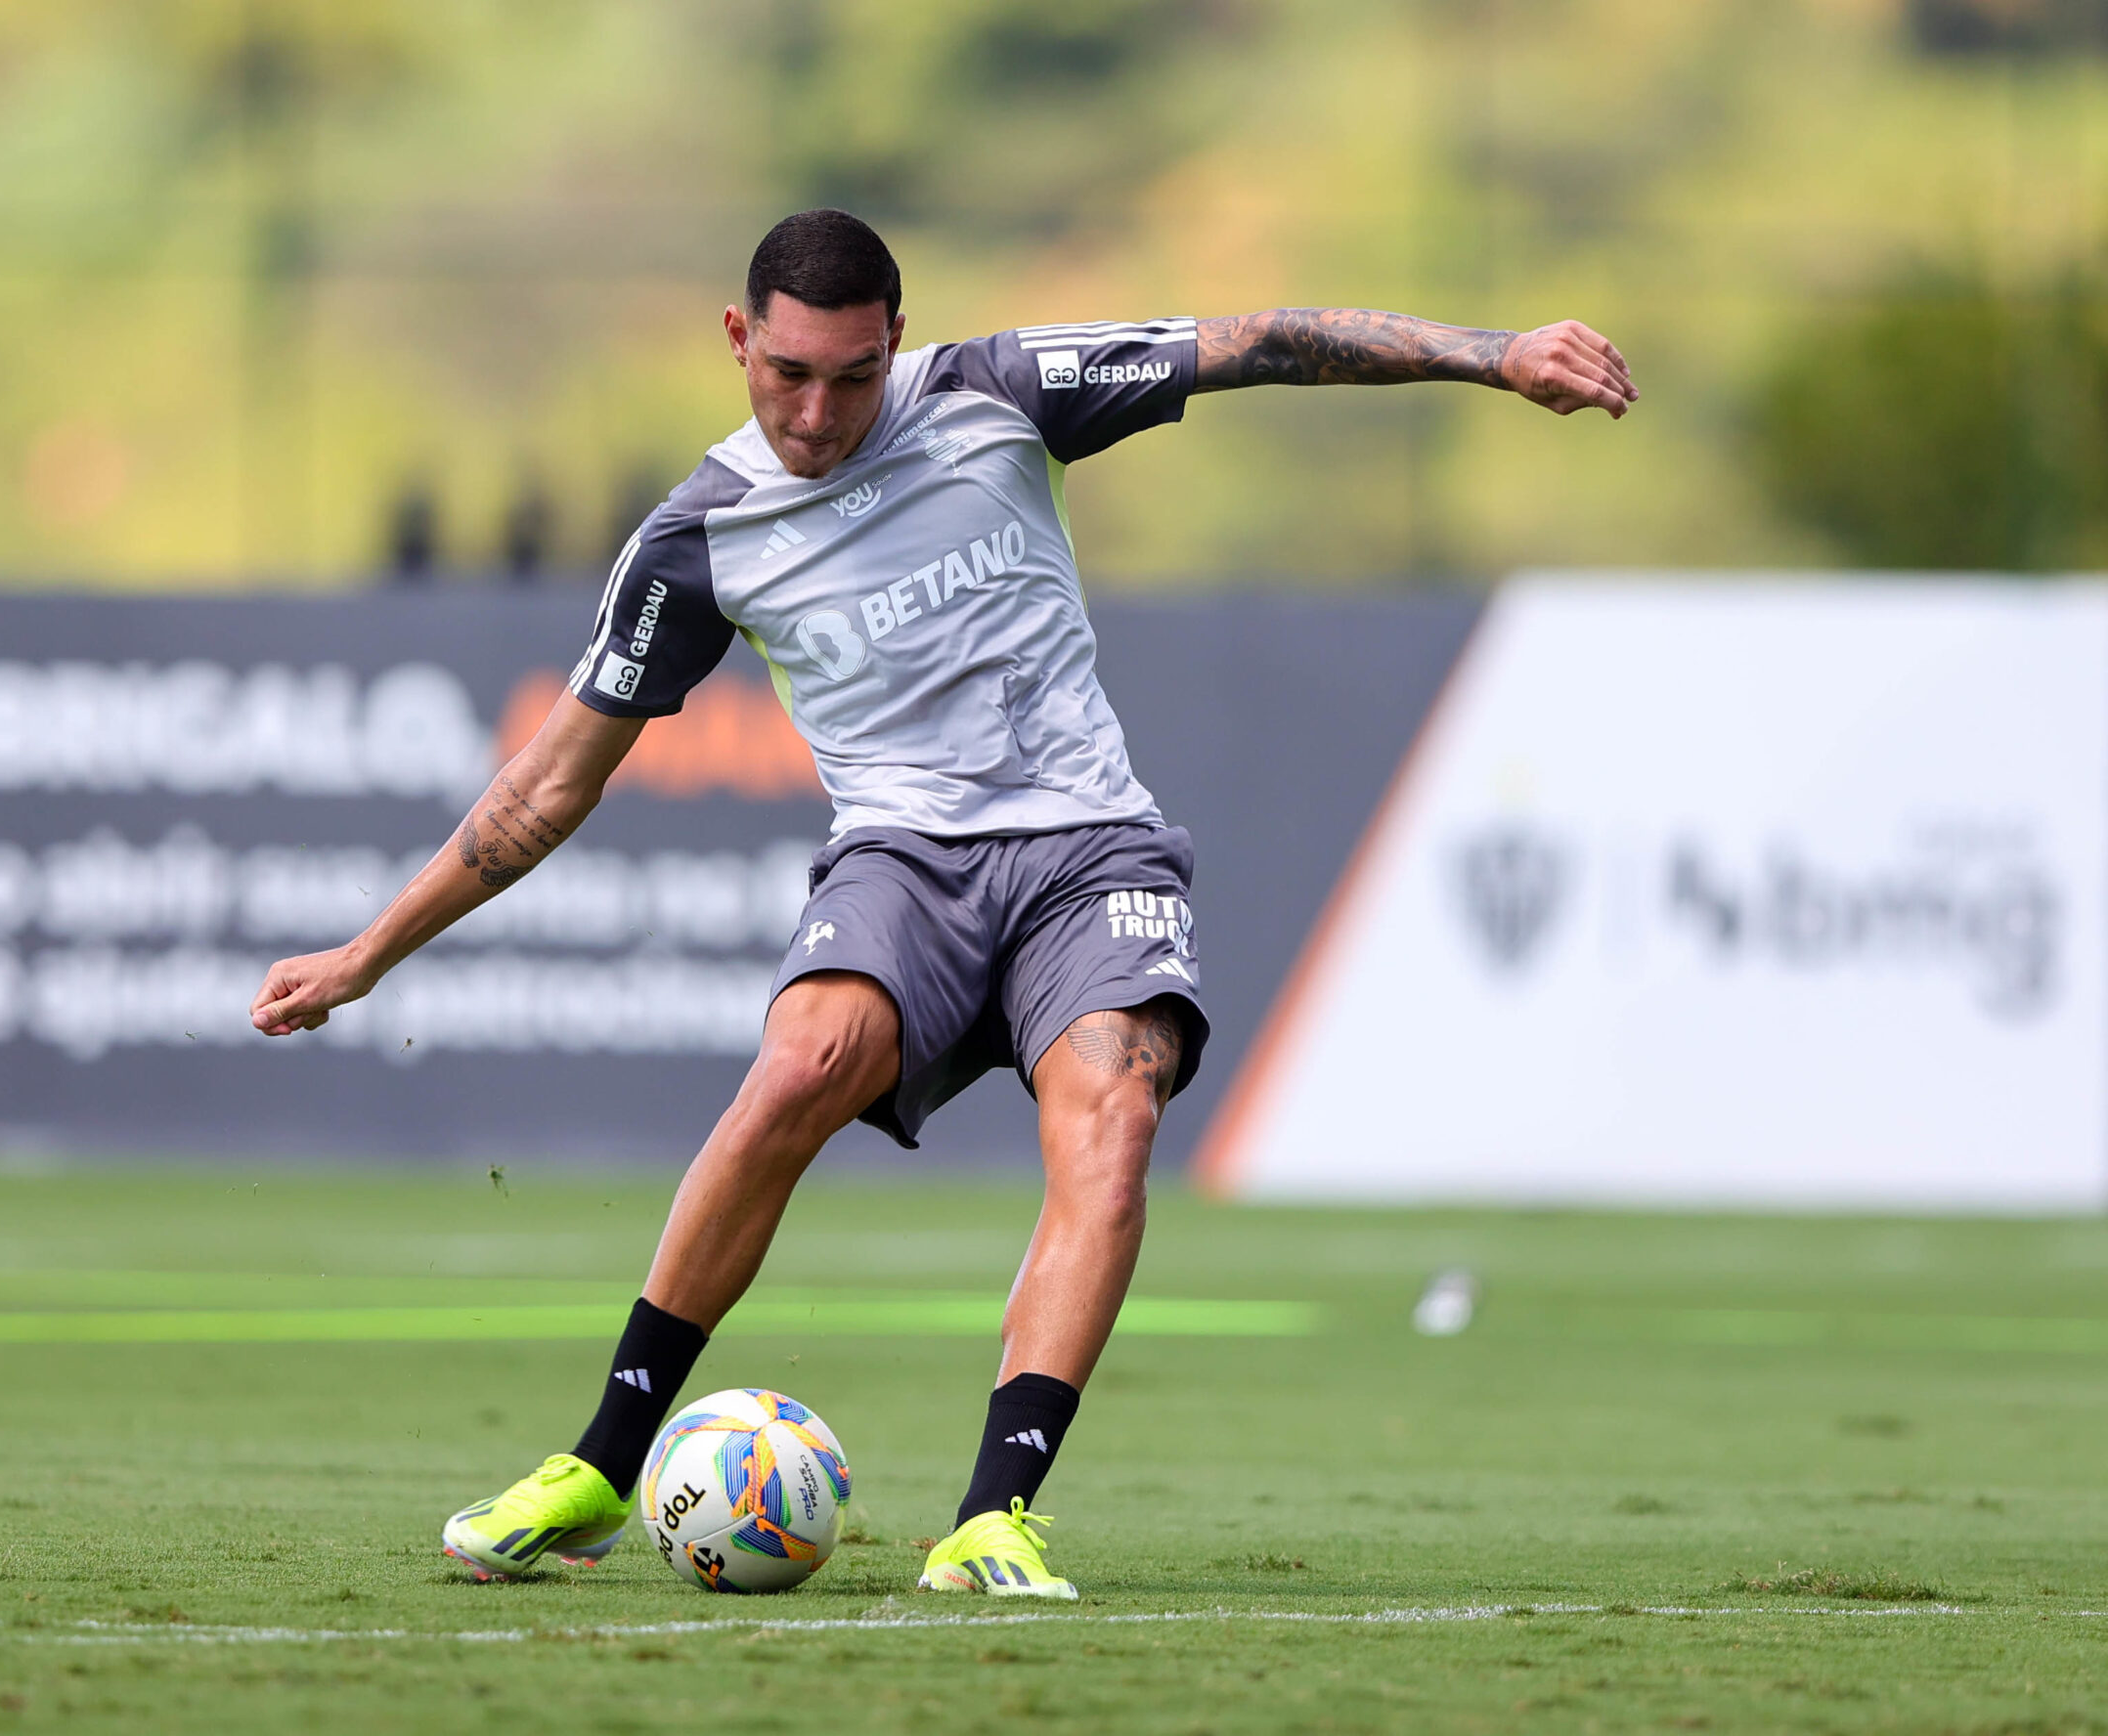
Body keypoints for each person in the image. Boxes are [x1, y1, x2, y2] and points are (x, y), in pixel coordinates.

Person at [248, 208, 1634, 1600]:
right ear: (739, 340)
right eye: (788, 371)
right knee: (803, 1063)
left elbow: (1255, 344)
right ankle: (607, 1464)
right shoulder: (699, 542)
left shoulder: (998, 395)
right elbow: (542, 791)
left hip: (1091, 850)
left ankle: (992, 1519)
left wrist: (1497, 353)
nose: (818, 409)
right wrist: (368, 955)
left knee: (1112, 1114)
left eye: (852, 376)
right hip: (905, 860)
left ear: (896, 341)